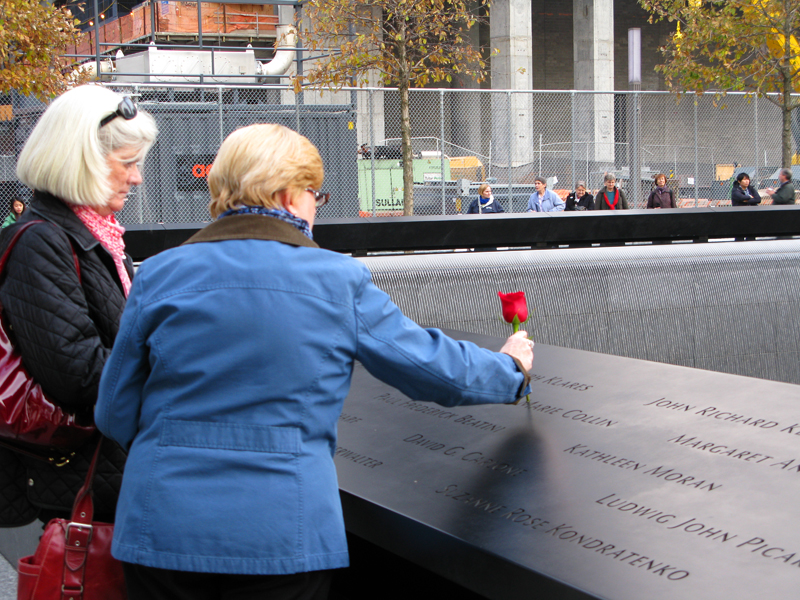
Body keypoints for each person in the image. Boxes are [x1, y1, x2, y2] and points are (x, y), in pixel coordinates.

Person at [95, 123, 533, 600]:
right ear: (286, 197)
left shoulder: (159, 272)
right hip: (279, 531)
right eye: (313, 195)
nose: (315, 209)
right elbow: (430, 368)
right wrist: (510, 369)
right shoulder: (335, 279)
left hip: (161, 529)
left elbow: (114, 411)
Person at [0, 85, 157, 526]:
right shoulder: (44, 242)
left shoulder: (97, 234)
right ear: (81, 161)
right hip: (79, 484)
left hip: (102, 470)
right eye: (128, 163)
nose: (137, 177)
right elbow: (79, 374)